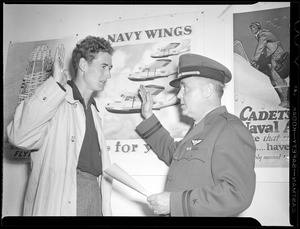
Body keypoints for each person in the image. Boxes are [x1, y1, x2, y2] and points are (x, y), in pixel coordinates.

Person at [136, 53, 256, 216]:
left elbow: (237, 194)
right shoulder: (200, 128)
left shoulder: (230, 130)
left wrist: (174, 203)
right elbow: (174, 153)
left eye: (185, 87)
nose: (178, 95)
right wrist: (149, 116)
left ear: (207, 90)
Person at [7, 36, 114, 216]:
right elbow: (19, 136)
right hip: (64, 197)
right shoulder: (56, 99)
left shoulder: (95, 112)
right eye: (104, 67)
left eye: (110, 68)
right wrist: (55, 84)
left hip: (94, 193)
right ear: (83, 65)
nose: (109, 74)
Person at [249, 22, 289, 108]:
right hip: (272, 54)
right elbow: (265, 49)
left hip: (276, 54)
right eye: (250, 27)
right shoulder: (260, 35)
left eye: (253, 27)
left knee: (275, 74)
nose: (251, 28)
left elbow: (261, 47)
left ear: (258, 28)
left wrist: (255, 59)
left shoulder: (263, 34)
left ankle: (286, 101)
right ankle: (283, 97)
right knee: (271, 75)